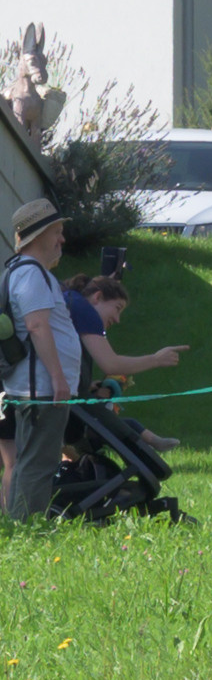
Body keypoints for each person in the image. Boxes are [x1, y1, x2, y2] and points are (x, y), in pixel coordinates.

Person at [2, 200, 78, 520]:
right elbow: (36, 326)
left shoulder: (18, 271)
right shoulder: (32, 275)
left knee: (28, 461)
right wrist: (59, 379)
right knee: (40, 464)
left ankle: (17, 526)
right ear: (39, 235)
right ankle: (28, 529)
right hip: (42, 389)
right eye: (57, 232)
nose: (62, 239)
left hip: (32, 387)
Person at [61, 276, 186, 452]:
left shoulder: (69, 302)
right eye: (117, 308)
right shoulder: (83, 309)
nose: (118, 319)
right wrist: (156, 359)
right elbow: (111, 364)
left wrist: (85, 385)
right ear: (97, 297)